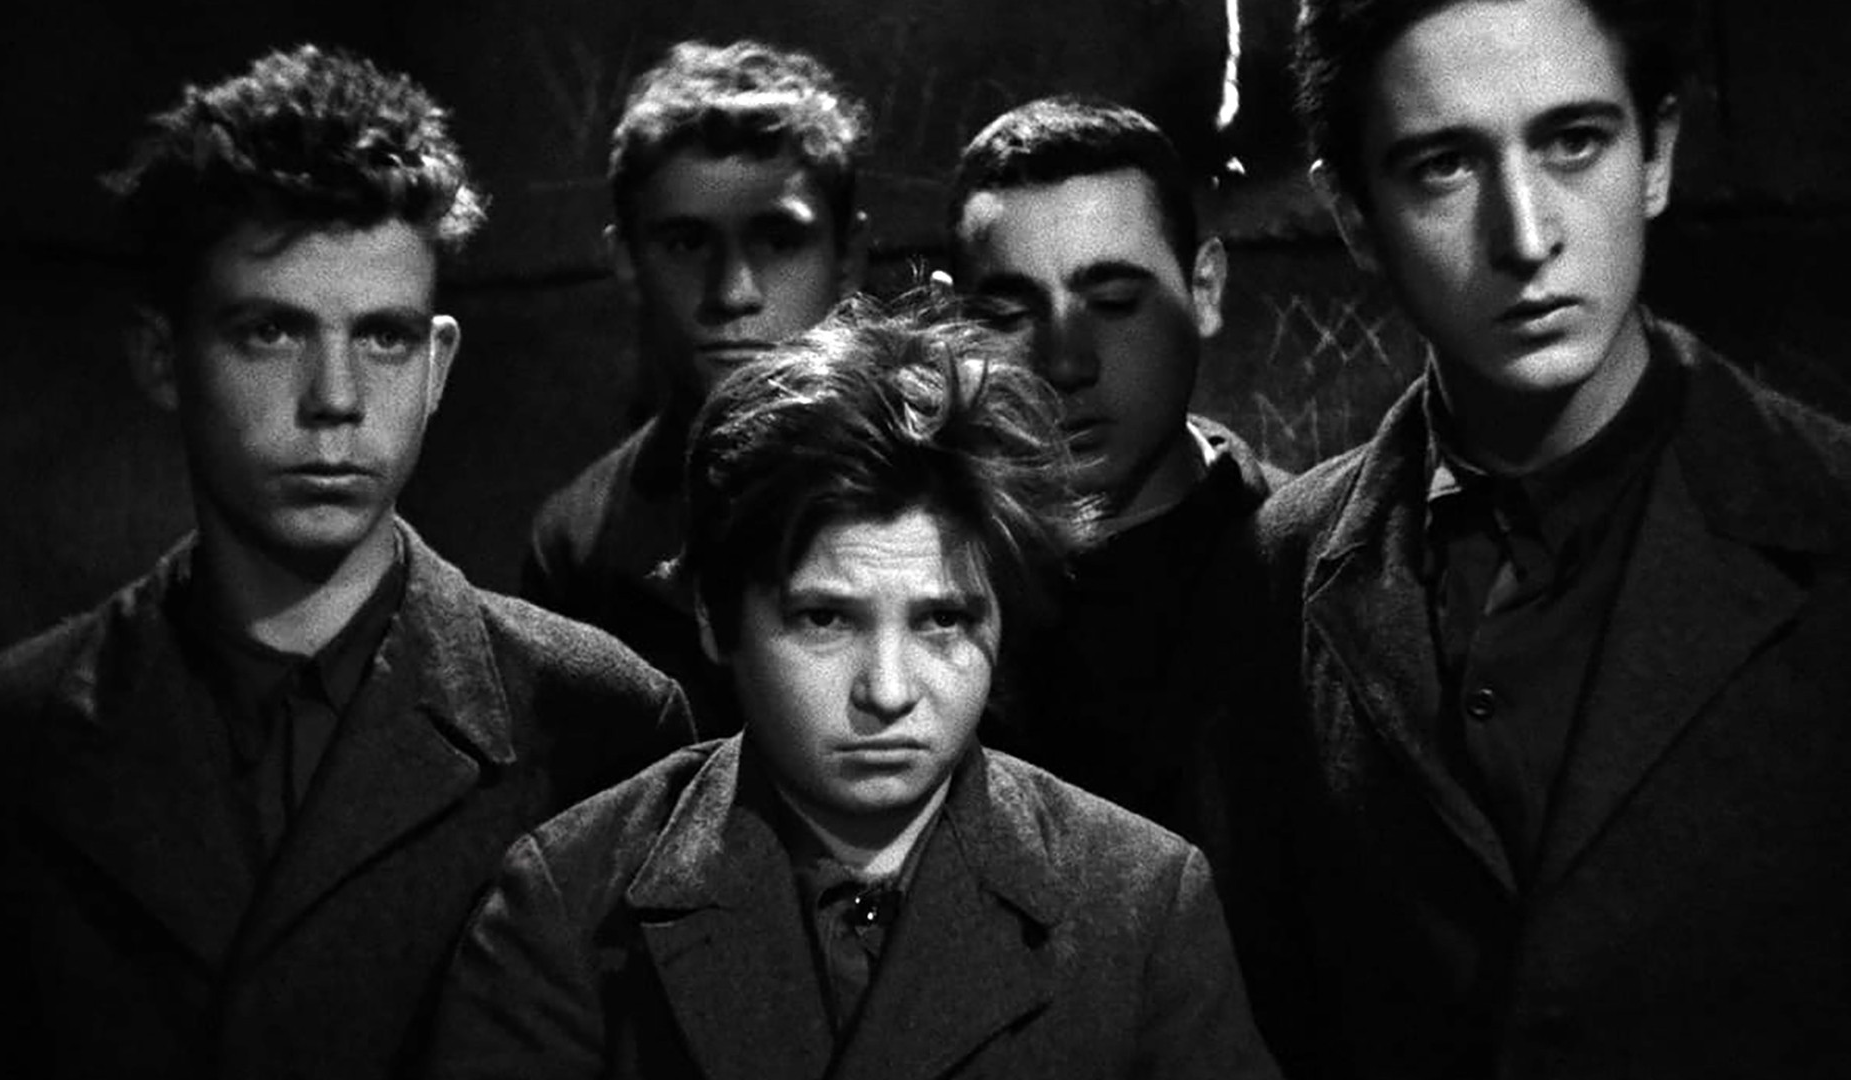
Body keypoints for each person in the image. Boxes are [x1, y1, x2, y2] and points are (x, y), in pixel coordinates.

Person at [0, 45, 692, 1080]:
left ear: (438, 365)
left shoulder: (604, 728)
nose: (334, 399)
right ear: (161, 356)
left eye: (382, 338)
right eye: (271, 332)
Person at [1216, 1, 1851, 1076]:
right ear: (1355, 216)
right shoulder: (1278, 566)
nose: (1525, 235)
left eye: (1574, 141)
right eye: (1444, 166)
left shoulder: (1827, 516)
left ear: (1656, 155)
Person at [422, 299, 1283, 1079]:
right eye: (825, 620)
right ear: (715, 619)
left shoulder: (1142, 905)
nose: (888, 691)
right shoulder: (569, 908)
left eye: (941, 620)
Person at [947, 95, 1286, 834]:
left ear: (1204, 290)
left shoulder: (1313, 576)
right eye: (1008, 315)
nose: (1066, 362)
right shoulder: (915, 586)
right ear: (954, 325)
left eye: (1114, 302)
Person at [521, 39, 871, 736]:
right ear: (627, 259)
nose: (732, 292)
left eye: (778, 240)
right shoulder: (579, 542)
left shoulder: (958, 495)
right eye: (687, 244)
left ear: (848, 257)